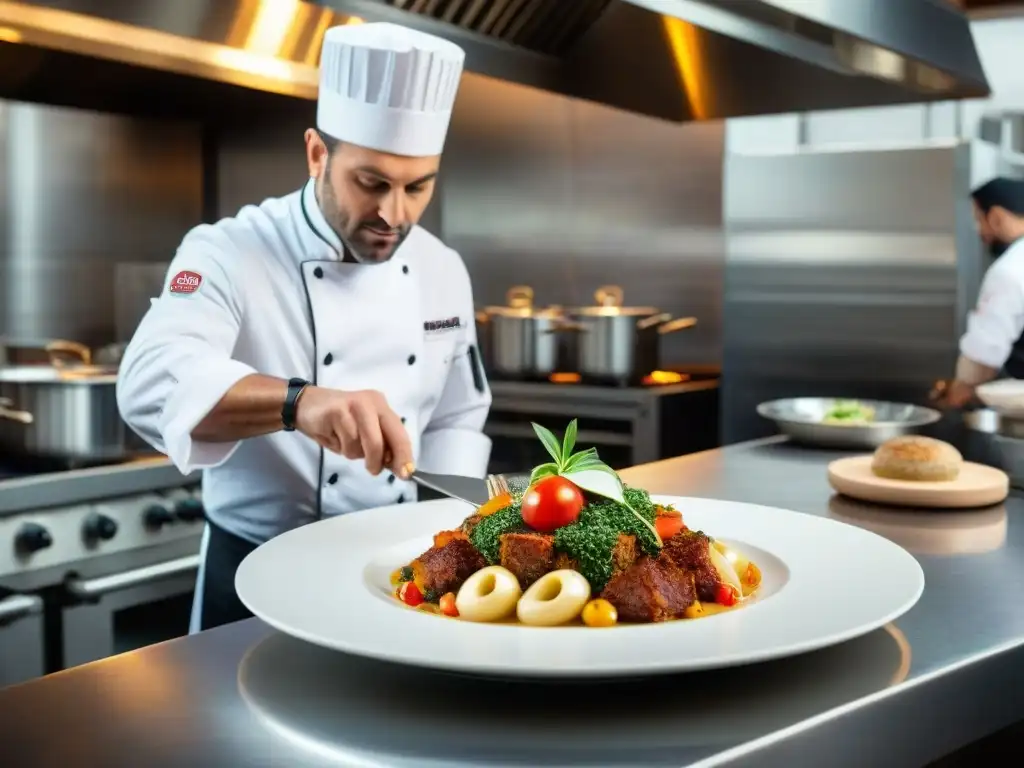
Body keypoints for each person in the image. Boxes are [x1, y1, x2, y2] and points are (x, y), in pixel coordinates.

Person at [116, 22, 492, 633]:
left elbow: (456, 415)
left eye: (417, 187)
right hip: (254, 573)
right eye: (370, 183)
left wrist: (450, 537)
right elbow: (150, 382)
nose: (394, 215)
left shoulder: (441, 268)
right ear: (318, 154)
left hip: (397, 573)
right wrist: (299, 402)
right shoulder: (228, 251)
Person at [938, 177, 1024, 408]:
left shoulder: (1011, 269)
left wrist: (958, 393)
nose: (979, 231)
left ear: (996, 217)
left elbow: (984, 353)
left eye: (978, 219)